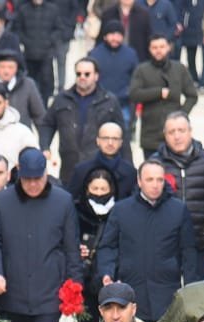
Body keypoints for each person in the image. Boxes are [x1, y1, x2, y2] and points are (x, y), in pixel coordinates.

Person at [0, 147, 83, 322]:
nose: (32, 184)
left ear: (46, 174)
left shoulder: (63, 201)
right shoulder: (2, 201)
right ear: (18, 174)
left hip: (49, 296)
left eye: (37, 178)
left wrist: (74, 288)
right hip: (11, 295)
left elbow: (71, 248)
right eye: (27, 179)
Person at [95, 160, 199, 322]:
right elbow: (108, 246)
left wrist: (191, 289)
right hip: (130, 290)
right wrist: (107, 273)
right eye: (150, 179)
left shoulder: (178, 210)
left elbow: (188, 251)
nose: (155, 185)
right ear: (139, 181)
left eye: (159, 179)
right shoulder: (122, 210)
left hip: (167, 290)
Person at [152, 113, 204, 279]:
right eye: (171, 132)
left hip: (202, 242)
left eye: (181, 130)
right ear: (164, 135)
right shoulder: (155, 163)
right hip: (166, 243)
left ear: (190, 131)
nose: (177, 136)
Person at [38, 57, 126, 186]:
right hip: (69, 167)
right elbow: (47, 124)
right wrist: (45, 147)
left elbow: (122, 133)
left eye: (87, 74)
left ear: (96, 76)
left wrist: (127, 167)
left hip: (100, 169)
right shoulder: (62, 99)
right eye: (78, 74)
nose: (82, 77)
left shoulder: (109, 101)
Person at [129, 35, 198, 156]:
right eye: (154, 47)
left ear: (168, 48)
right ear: (149, 49)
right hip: (151, 133)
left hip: (176, 135)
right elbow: (134, 94)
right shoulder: (142, 70)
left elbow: (192, 95)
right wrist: (158, 92)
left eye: (161, 46)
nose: (158, 50)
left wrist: (181, 115)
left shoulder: (179, 69)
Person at [76, 167, 118, 316]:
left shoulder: (119, 211)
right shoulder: (76, 211)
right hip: (85, 279)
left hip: (112, 278)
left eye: (103, 189)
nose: (99, 193)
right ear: (87, 188)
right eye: (95, 188)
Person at [89, 23, 141, 137]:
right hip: (100, 104)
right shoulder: (95, 54)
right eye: (111, 34)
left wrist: (130, 94)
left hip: (124, 104)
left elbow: (137, 78)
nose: (115, 38)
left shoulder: (131, 54)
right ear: (105, 36)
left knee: (123, 137)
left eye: (118, 34)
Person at [68, 121, 138, 200]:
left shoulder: (130, 172)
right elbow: (71, 202)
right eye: (105, 138)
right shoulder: (81, 170)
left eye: (115, 139)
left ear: (121, 142)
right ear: (98, 141)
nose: (110, 143)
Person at [14, 0, 69, 99]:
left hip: (46, 55)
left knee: (46, 84)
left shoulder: (53, 10)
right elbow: (17, 29)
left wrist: (49, 41)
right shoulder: (23, 10)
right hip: (29, 54)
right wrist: (26, 42)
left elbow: (59, 29)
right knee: (29, 83)